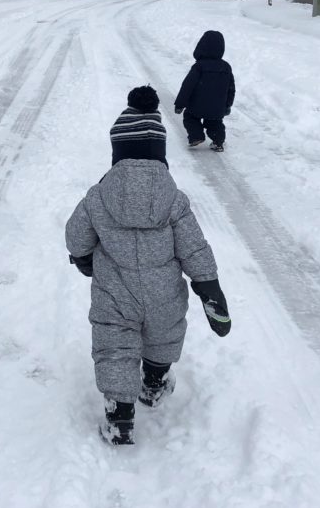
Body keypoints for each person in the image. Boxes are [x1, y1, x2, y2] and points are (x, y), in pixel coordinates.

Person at [66, 85, 231, 445]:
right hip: (164, 295)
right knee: (162, 336)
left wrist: (82, 258)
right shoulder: (174, 200)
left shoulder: (97, 197)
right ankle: (154, 384)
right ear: (160, 154)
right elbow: (194, 247)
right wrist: (208, 284)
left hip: (115, 294)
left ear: (117, 153)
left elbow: (75, 237)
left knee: (115, 347)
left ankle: (120, 416)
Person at [173, 30, 235, 152]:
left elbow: (187, 86)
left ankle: (196, 136)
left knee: (190, 117)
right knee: (215, 123)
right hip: (217, 107)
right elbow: (231, 88)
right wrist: (227, 105)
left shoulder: (199, 66)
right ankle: (218, 142)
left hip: (197, 104)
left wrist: (180, 104)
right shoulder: (226, 67)